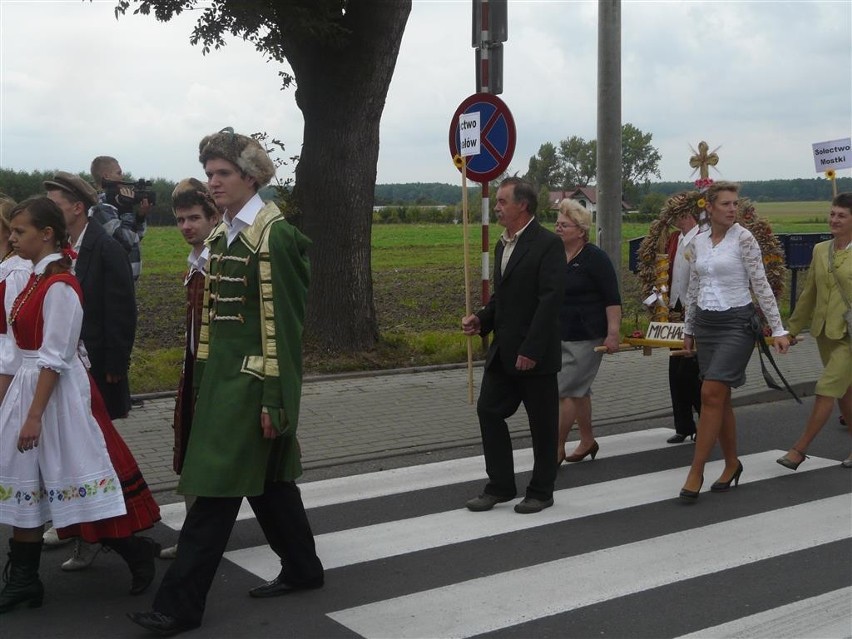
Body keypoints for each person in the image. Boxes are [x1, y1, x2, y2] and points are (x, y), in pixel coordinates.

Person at [129, 129, 323, 636]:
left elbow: (285, 326)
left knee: (213, 494)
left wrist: (276, 402)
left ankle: (180, 606)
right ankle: (304, 568)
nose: (213, 183)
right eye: (210, 173)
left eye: (223, 174)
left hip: (252, 389)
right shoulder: (224, 235)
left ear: (250, 177)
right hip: (221, 386)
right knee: (273, 485)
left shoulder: (272, 236)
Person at [0, 197, 127, 613]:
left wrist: (34, 416)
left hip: (53, 396)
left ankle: (134, 550)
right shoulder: (35, 279)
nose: (13, 238)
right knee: (26, 488)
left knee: (70, 480)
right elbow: (20, 350)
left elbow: (55, 356)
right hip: (30, 388)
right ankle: (24, 581)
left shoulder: (60, 286)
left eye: (20, 232)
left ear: (47, 234)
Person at [680, 182, 790, 502]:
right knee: (720, 399)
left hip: (737, 324)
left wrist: (778, 329)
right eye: (725, 204)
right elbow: (693, 288)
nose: (732, 209)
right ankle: (731, 464)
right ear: (709, 208)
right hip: (706, 324)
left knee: (710, 392)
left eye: (735, 203)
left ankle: (696, 470)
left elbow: (761, 284)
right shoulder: (699, 242)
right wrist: (688, 329)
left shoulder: (744, 238)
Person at [462, 177, 565, 515]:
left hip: (534, 355)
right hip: (504, 352)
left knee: (542, 425)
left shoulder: (548, 244)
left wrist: (531, 349)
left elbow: (550, 301)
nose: (497, 208)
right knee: (488, 411)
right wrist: (482, 319)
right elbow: (503, 299)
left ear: (523, 205)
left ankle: (541, 490)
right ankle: (501, 485)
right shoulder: (503, 245)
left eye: (503, 202)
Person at [159, 178, 221, 560]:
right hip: (195, 372)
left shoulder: (220, 260)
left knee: (217, 460)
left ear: (213, 217)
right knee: (194, 456)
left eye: (194, 217)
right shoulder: (195, 262)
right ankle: (195, 537)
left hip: (218, 376)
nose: (186, 226)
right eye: (180, 219)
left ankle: (197, 541)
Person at [44, 172, 137, 420]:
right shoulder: (59, 249)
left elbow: (121, 311)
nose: (47, 214)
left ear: (77, 208)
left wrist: (116, 364)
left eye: (54, 207)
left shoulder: (107, 249)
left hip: (97, 365)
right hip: (67, 362)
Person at [777, 192, 852, 470]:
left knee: (826, 388)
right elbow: (809, 294)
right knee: (845, 393)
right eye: (832, 213)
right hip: (824, 333)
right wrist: (790, 330)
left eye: (842, 215)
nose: (834, 219)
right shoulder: (821, 250)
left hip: (849, 337)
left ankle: (799, 449)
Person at [554, 199, 621, 464]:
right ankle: (587, 439)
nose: (558, 229)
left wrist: (613, 333)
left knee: (566, 390)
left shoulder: (595, 258)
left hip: (588, 335)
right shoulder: (555, 255)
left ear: (581, 231)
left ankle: (555, 448)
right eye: (557, 223)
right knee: (579, 389)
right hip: (560, 332)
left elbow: (612, 298)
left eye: (564, 225)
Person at [664, 197, 703, 444]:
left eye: (676, 214)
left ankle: (705, 420)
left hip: (695, 307)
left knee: (691, 369)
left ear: (687, 214)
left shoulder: (702, 239)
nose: (673, 218)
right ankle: (683, 425)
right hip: (674, 308)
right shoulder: (674, 239)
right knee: (674, 369)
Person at [89, 156, 148, 282]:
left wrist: (140, 216)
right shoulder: (100, 208)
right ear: (106, 176)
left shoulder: (116, 203)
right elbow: (125, 241)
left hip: (126, 282)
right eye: (119, 173)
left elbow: (135, 237)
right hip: (114, 283)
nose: (122, 177)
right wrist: (127, 209)